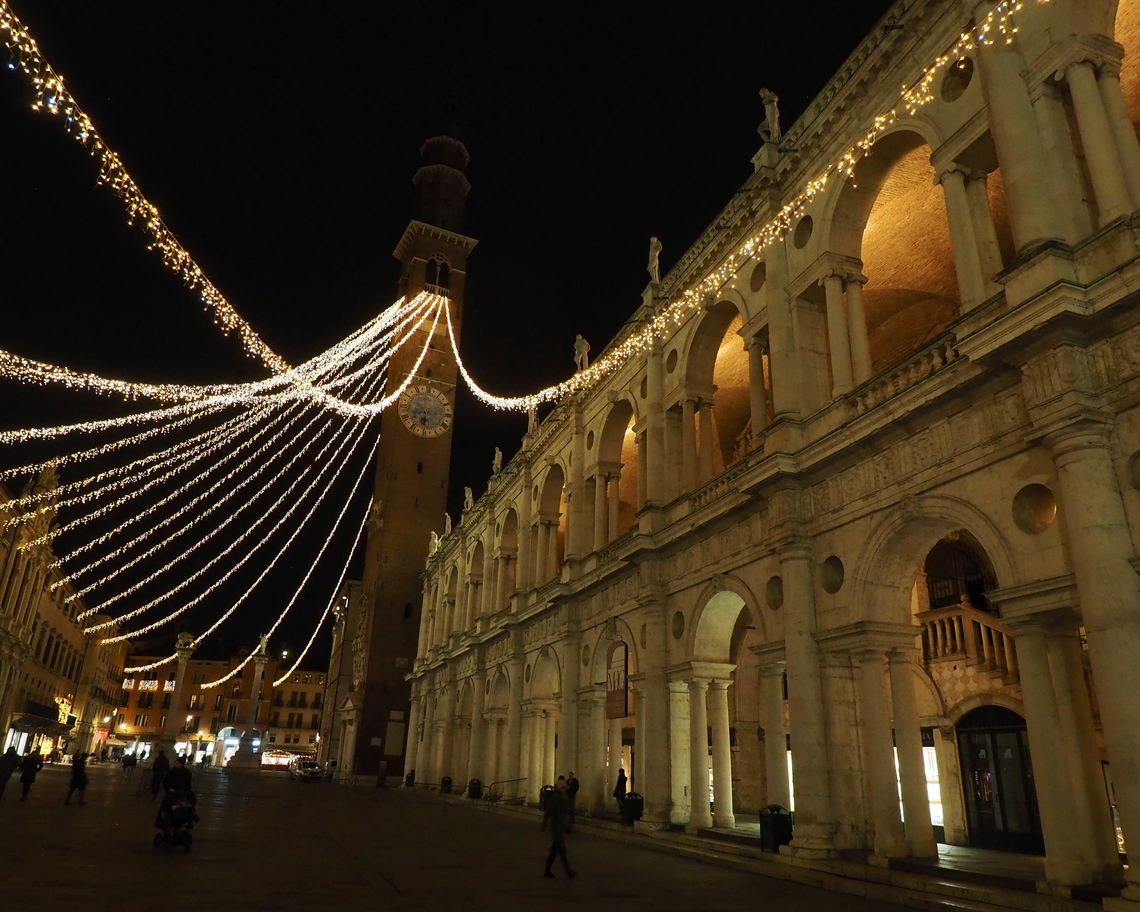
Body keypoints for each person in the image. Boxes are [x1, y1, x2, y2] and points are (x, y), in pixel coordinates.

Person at [541, 778, 575, 879]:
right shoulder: (555, 798)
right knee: (562, 851)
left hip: (561, 827)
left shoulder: (564, 797)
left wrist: (568, 825)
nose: (565, 789)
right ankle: (569, 871)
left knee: (554, 851)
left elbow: (567, 812)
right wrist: (544, 824)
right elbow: (548, 813)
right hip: (556, 828)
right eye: (563, 788)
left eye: (565, 788)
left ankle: (547, 870)